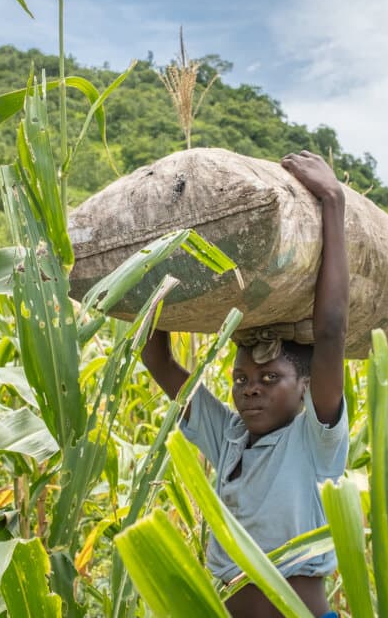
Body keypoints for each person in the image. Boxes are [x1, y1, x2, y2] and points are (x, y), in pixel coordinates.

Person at [141, 150, 348, 618]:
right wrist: (156, 258)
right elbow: (155, 356)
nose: (249, 389)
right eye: (241, 379)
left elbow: (331, 329)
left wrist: (332, 200)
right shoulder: (229, 437)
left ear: (305, 387)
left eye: (270, 378)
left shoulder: (314, 442)